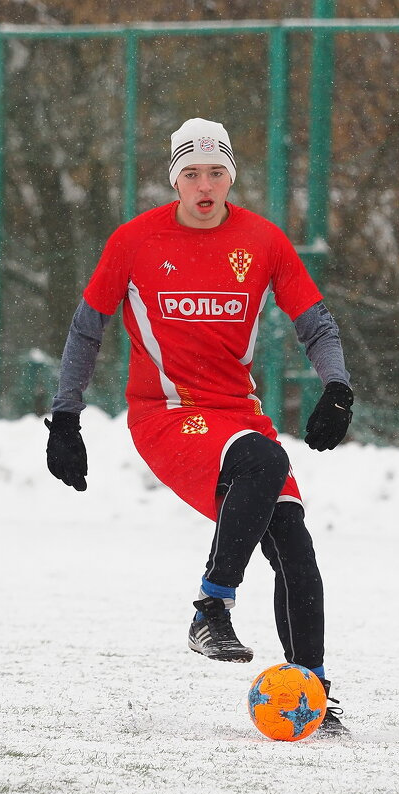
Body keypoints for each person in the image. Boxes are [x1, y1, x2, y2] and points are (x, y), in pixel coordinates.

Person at [44, 118, 353, 737]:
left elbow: (314, 320)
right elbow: (88, 327)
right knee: (264, 462)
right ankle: (212, 606)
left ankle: (314, 693)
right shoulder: (134, 241)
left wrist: (337, 386)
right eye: (192, 174)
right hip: (166, 415)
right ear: (175, 181)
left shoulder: (262, 241)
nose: (205, 185)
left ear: (231, 177)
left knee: (294, 544)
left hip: (236, 413)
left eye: (217, 173)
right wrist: (66, 416)